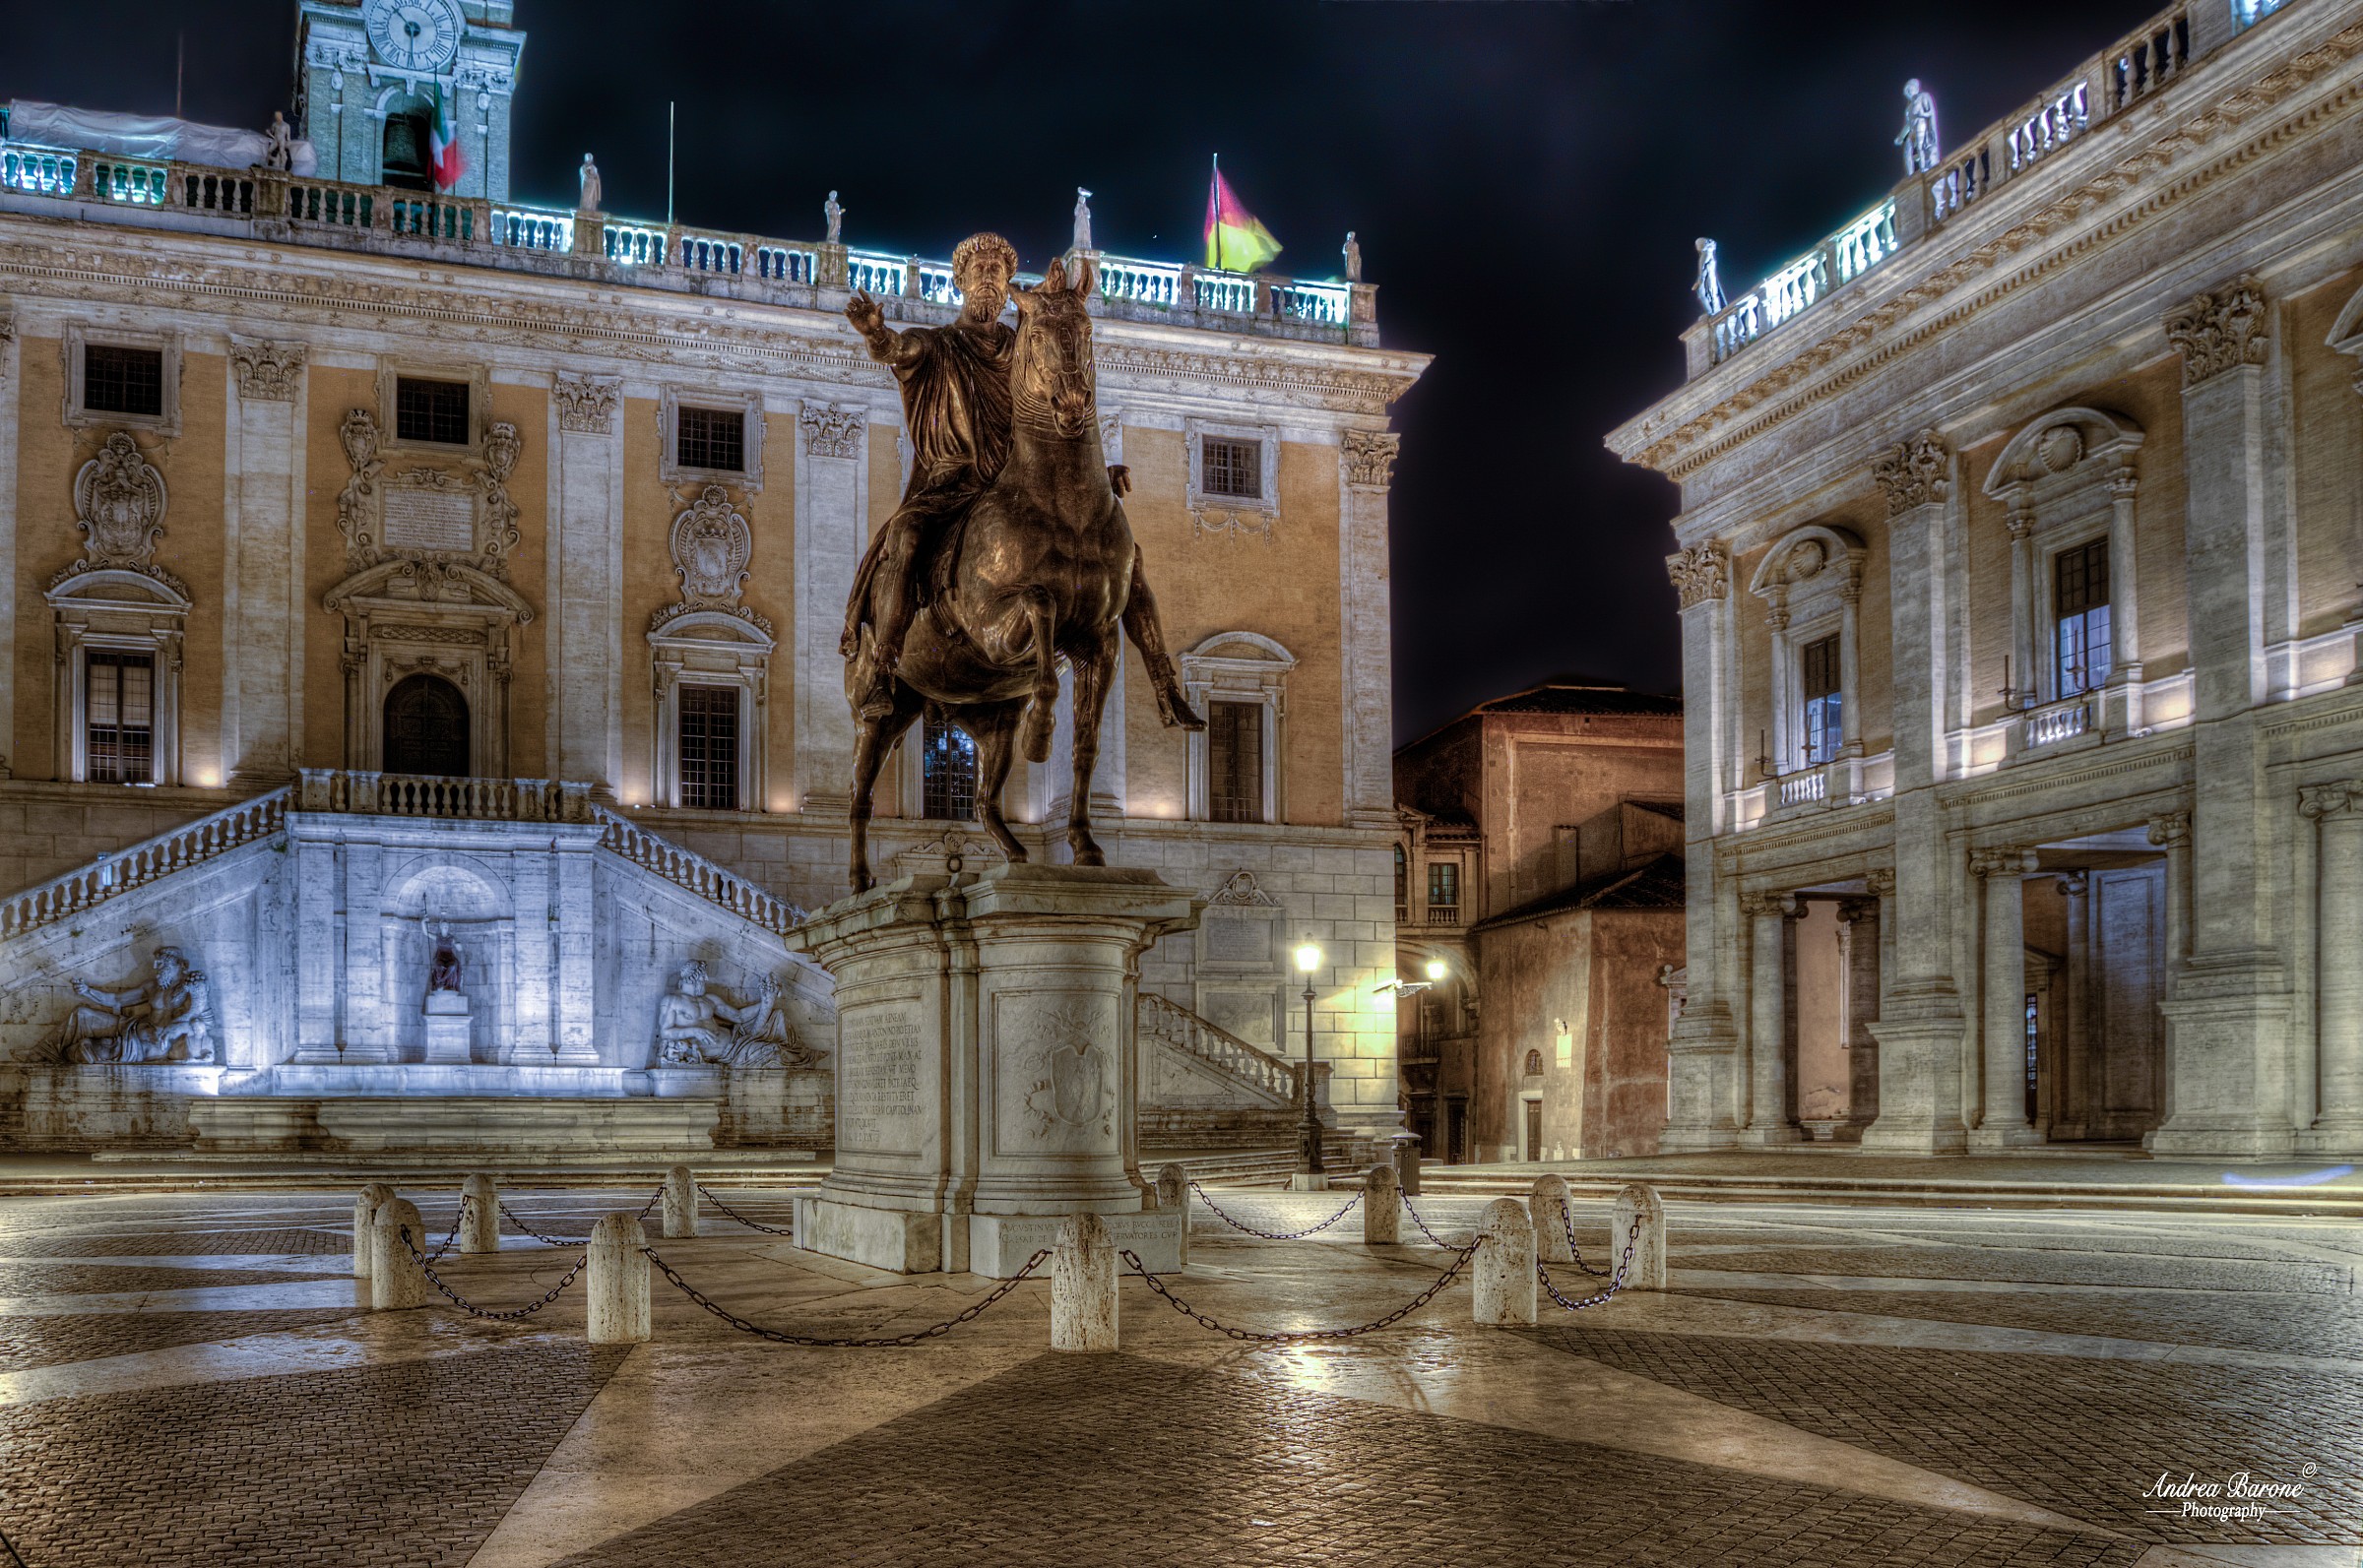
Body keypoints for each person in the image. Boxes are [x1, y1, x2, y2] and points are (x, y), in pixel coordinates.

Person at [839, 232, 1023, 720]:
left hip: (1016, 489)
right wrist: (877, 334)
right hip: (953, 487)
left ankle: (1155, 671)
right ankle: (883, 666)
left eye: (996, 270)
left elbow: (1058, 417)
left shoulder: (1028, 355)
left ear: (1008, 284)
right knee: (906, 534)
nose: (988, 277)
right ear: (961, 281)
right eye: (979, 269)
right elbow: (900, 350)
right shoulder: (939, 345)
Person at [56, 948, 215, 1064]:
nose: (156, 969)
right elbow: (115, 1000)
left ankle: (80, 1052)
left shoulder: (192, 988)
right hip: (133, 1028)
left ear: (181, 965)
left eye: (162, 964)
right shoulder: (152, 987)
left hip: (154, 1044)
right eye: (156, 964)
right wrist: (87, 991)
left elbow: (205, 1023)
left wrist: (176, 1029)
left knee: (90, 1051)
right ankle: (48, 1051)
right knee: (82, 1013)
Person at [1896, 80, 1941, 175]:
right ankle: (1910, 174)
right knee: (1907, 149)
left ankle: (1923, 167)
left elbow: (1931, 112)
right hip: (1913, 129)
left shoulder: (1924, 96)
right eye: (1907, 90)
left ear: (1916, 88)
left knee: (1920, 147)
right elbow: (1908, 125)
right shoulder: (1908, 108)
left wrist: (1922, 114)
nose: (1909, 91)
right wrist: (1900, 137)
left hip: (1921, 124)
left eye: (1910, 88)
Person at [1692, 237, 1726, 316]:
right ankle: (1712, 311)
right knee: (1710, 294)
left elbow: (1702, 269)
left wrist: (1699, 280)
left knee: (1704, 294)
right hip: (1708, 278)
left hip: (1706, 279)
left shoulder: (1706, 254)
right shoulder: (1709, 253)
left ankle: (1711, 312)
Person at [1072, 187, 1093, 253]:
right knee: (1079, 233)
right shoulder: (1077, 207)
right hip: (1079, 222)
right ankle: (1078, 244)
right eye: (1081, 200)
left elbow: (1089, 215)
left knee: (1086, 233)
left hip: (1085, 223)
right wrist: (1080, 208)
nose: (1082, 201)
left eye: (1083, 200)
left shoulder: (1087, 209)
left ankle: (1086, 245)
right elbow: (1076, 213)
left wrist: (1084, 214)